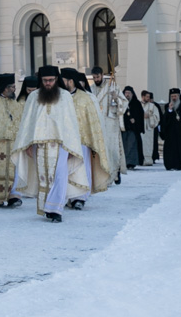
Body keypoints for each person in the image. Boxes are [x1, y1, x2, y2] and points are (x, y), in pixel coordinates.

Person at [12, 65, 88, 222]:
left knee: (59, 175)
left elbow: (71, 124)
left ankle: (56, 209)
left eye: (51, 80)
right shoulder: (33, 97)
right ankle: (46, 207)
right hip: (38, 145)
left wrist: (72, 147)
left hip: (60, 144)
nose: (48, 83)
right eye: (45, 80)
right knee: (44, 176)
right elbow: (27, 123)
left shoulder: (65, 96)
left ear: (56, 79)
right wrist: (26, 145)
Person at [60, 68, 112, 209]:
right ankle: (67, 196)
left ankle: (80, 198)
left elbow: (94, 121)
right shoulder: (59, 97)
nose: (61, 82)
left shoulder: (85, 98)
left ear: (70, 81)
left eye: (63, 80)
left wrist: (94, 140)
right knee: (65, 170)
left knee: (82, 170)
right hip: (63, 142)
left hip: (82, 141)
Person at [0, 73, 24, 208]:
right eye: (11, 87)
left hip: (14, 143)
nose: (14, 90)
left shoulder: (16, 104)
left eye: (14, 87)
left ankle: (13, 196)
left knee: (14, 169)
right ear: (4, 87)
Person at [89, 67, 127, 187]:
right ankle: (102, 176)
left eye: (98, 77)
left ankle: (115, 173)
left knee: (112, 150)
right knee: (100, 151)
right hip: (97, 124)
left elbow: (124, 102)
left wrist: (116, 98)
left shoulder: (113, 86)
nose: (96, 79)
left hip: (110, 123)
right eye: (94, 78)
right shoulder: (91, 89)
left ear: (102, 75)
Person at [160, 90, 181, 169]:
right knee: (170, 150)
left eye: (175, 96)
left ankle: (180, 165)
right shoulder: (167, 106)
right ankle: (170, 165)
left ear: (179, 96)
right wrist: (169, 110)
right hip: (171, 132)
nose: (174, 98)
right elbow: (165, 120)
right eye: (172, 96)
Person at [120, 86, 144, 169]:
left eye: (129, 93)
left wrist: (135, 120)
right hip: (123, 128)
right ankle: (124, 163)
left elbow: (140, 116)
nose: (127, 95)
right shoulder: (121, 103)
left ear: (132, 94)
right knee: (123, 147)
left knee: (131, 146)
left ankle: (131, 163)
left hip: (133, 129)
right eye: (126, 93)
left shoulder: (136, 103)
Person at [141, 91, 162, 165]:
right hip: (140, 129)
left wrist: (149, 116)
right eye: (147, 97)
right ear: (143, 96)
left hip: (148, 129)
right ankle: (140, 160)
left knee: (148, 144)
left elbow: (157, 117)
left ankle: (148, 160)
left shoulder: (152, 106)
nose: (148, 98)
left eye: (149, 97)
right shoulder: (138, 105)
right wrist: (141, 116)